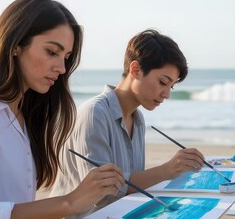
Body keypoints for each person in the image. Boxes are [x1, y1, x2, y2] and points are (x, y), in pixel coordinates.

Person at [0, 0, 125, 219]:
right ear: (16, 44)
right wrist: (70, 202)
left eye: (66, 56)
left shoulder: (24, 112)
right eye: (52, 52)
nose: (62, 68)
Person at [50, 29, 205, 218]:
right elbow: (102, 193)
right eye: (163, 82)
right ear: (135, 70)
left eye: (171, 86)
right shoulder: (94, 113)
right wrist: (167, 170)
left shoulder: (137, 119)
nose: (166, 94)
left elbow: (130, 186)